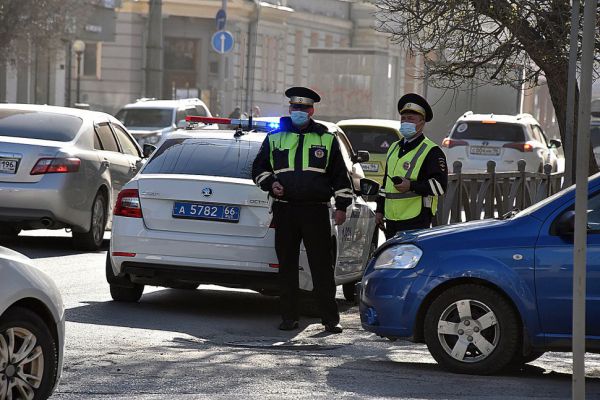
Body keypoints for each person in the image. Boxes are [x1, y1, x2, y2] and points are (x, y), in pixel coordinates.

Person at [251, 86, 353, 333]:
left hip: (316, 211)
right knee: (286, 266)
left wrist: (342, 207)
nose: (298, 112)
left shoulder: (326, 138)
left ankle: (330, 319)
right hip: (285, 210)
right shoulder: (275, 137)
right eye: (294, 108)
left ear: (311, 111)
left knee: (321, 267)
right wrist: (271, 182)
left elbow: (340, 177)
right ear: (290, 109)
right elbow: (258, 169)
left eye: (303, 108)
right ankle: (289, 318)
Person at [375, 93, 448, 239]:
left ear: (422, 122)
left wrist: (412, 186)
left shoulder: (432, 151)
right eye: (403, 118)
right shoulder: (394, 147)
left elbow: (439, 186)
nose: (406, 122)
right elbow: (385, 184)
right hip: (391, 219)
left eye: (411, 119)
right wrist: (379, 210)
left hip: (416, 219)